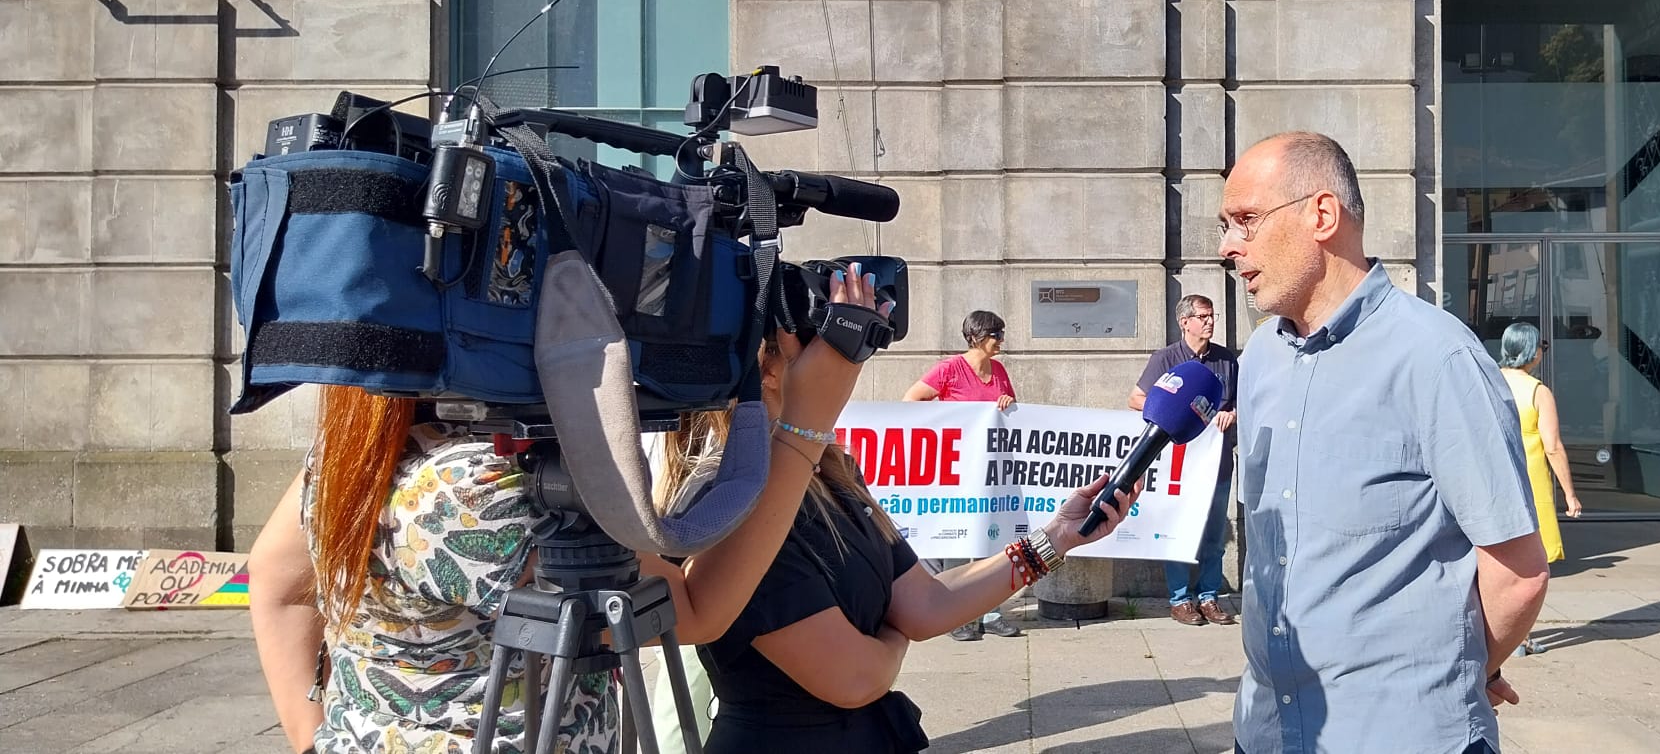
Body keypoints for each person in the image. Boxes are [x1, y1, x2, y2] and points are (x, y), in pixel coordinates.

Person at [249, 266, 883, 753]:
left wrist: (318, 736)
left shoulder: (366, 451)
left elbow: (276, 580)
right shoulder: (479, 490)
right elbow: (696, 612)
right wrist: (806, 420)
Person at [1219, 131, 1549, 754]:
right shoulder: (1260, 356)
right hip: (1265, 731)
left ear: (1322, 215)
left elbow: (1518, 573)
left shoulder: (1437, 358)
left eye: (1246, 220)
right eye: (1226, 225)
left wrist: (1459, 674)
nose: (1227, 246)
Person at [696, 446, 1143, 752]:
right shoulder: (731, 495)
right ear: (771, 367)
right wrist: (895, 636)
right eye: (839, 350)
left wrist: (1056, 538)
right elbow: (856, 678)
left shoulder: (834, 470)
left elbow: (926, 603)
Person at [902, 309, 1021, 639]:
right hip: (957, 471)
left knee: (991, 540)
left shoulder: (998, 371)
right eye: (996, 334)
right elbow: (910, 401)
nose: (1001, 340)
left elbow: (1011, 409)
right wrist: (950, 418)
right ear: (976, 337)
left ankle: (991, 613)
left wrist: (1007, 401)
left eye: (1001, 333)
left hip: (990, 469)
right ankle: (956, 617)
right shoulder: (949, 369)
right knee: (957, 539)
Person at [1129, 293, 1239, 626]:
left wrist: (1233, 414)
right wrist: (1176, 412)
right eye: (1203, 317)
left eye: (1212, 316)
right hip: (1178, 466)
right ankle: (1180, 600)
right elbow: (1136, 399)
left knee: (1214, 536)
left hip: (1216, 464)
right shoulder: (1165, 359)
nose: (1210, 322)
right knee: (1178, 531)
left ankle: (1209, 597)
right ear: (1184, 322)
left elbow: (1241, 402)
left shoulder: (1226, 360)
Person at [1495, 322, 1583, 563]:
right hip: (1529, 473)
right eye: (1541, 346)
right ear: (1532, 351)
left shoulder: (1488, 382)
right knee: (1533, 545)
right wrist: (1570, 494)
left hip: (1494, 468)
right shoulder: (1538, 391)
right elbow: (1553, 447)